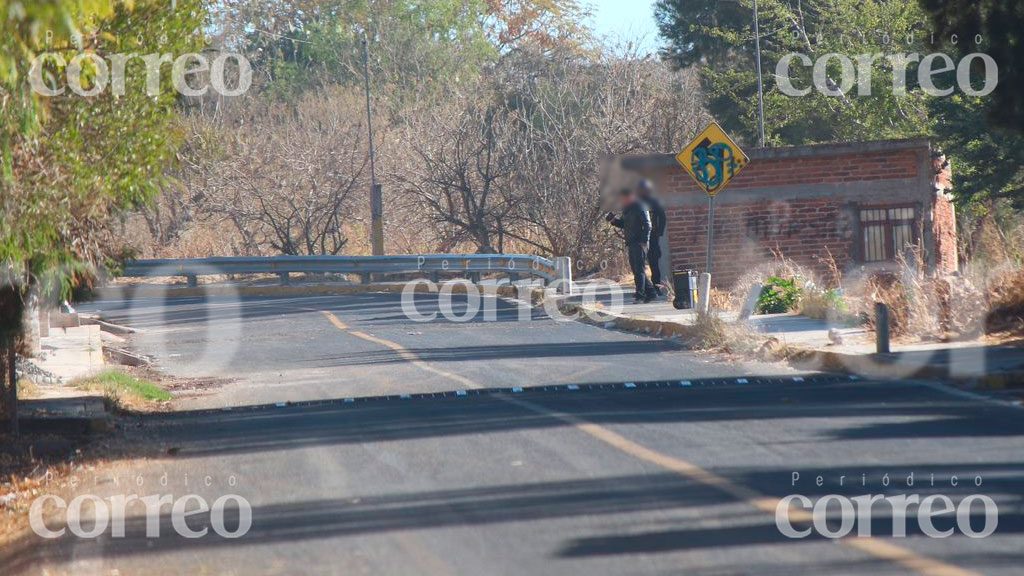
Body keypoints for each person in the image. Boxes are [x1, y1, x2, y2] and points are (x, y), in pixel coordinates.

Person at [606, 188, 657, 303]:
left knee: (639, 270)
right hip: (631, 242)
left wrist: (644, 241)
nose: (621, 201)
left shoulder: (640, 206)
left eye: (622, 199)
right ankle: (651, 292)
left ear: (629, 197)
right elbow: (624, 224)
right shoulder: (627, 209)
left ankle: (640, 295)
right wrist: (613, 220)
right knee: (637, 270)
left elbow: (648, 225)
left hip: (640, 243)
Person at [636, 179, 667, 294]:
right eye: (641, 190)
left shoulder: (654, 202)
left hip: (653, 236)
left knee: (654, 263)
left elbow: (662, 217)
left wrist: (660, 231)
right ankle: (643, 289)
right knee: (639, 265)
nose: (643, 192)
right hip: (639, 237)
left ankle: (657, 287)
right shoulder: (636, 203)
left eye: (645, 190)